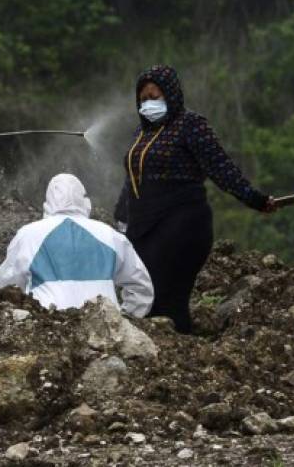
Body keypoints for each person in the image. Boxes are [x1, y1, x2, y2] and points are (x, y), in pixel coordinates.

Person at [114, 65, 276, 333]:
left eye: (155, 97)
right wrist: (121, 216)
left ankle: (180, 357)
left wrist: (255, 199)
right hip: (145, 226)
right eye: (143, 99)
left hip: (181, 224)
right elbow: (133, 178)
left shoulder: (191, 125)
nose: (148, 104)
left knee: (165, 298)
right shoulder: (141, 133)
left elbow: (222, 168)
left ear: (171, 94)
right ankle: (165, 356)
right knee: (144, 295)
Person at [0, 174, 153, 317]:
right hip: (104, 329)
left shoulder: (28, 235)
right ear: (85, 201)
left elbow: (10, 285)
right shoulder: (111, 236)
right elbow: (141, 288)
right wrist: (124, 321)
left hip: (47, 328)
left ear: (47, 203)